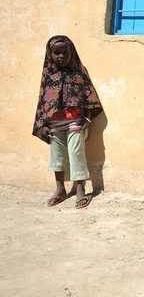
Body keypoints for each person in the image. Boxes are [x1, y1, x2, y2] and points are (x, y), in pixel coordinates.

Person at [33, 35, 103, 209]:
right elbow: (43, 100)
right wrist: (42, 124)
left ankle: (80, 189)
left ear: (72, 52)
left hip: (75, 121)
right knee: (57, 156)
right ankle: (60, 189)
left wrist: (87, 117)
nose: (61, 56)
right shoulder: (48, 75)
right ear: (50, 54)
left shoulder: (79, 71)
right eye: (57, 53)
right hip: (54, 123)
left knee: (76, 153)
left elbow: (89, 95)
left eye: (65, 52)